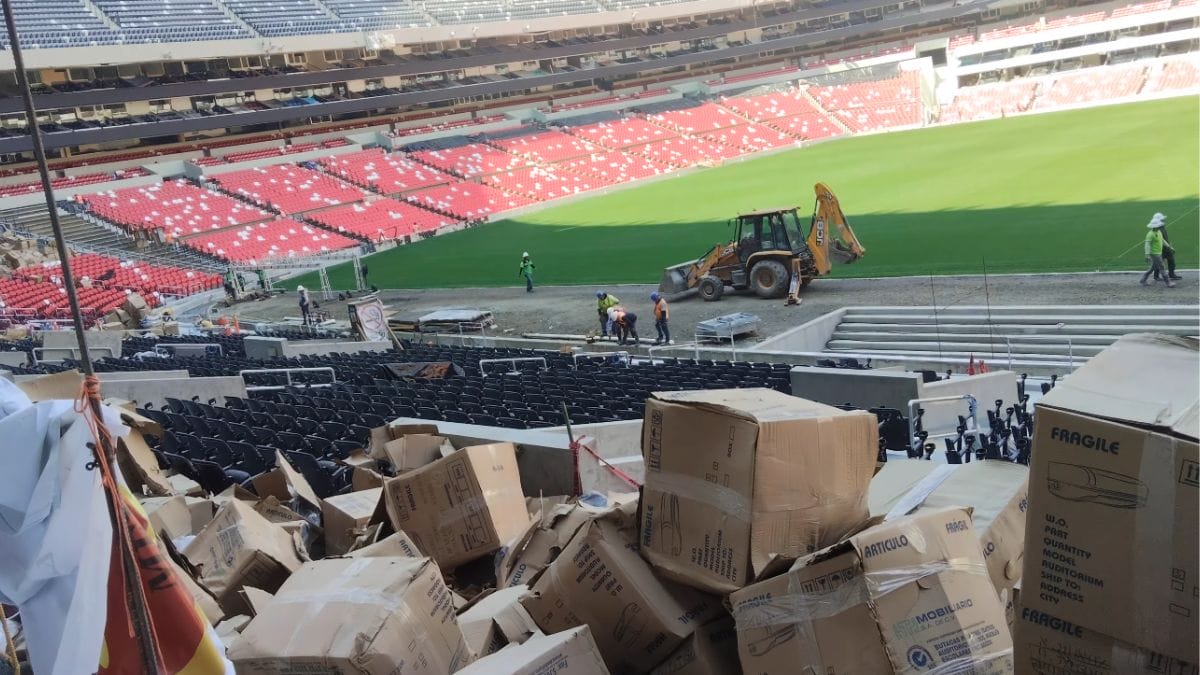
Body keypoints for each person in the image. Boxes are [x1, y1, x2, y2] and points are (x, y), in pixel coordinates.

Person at [1141, 217, 1175, 288]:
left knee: (1152, 268)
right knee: (1162, 267)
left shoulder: (1159, 232)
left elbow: (1162, 240)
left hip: (1159, 253)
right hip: (1154, 254)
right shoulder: (1150, 234)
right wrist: (1147, 254)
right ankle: (1168, 282)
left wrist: (1169, 247)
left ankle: (1143, 279)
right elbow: (1147, 245)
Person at [1148, 213, 1183, 282]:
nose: (1163, 221)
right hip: (1160, 249)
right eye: (1162, 220)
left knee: (1171, 260)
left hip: (1166, 248)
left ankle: (1171, 274)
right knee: (1158, 263)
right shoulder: (1157, 230)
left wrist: (1169, 246)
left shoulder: (1162, 227)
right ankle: (1156, 276)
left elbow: (1164, 239)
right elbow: (1161, 240)